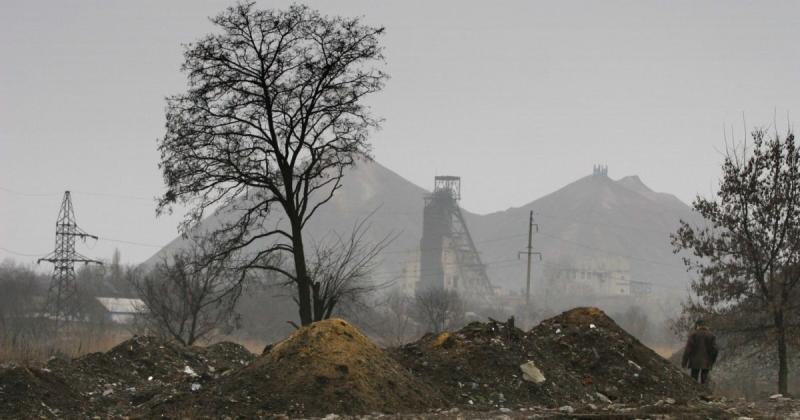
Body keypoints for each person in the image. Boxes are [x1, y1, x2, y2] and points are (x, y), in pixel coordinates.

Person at [681, 319, 718, 385]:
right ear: (706, 326)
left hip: (695, 361)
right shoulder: (712, 335)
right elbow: (715, 350)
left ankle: (694, 392)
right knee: (704, 380)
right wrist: (712, 360)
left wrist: (684, 362)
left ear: (698, 325)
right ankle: (705, 393)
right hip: (707, 362)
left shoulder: (693, 335)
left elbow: (688, 349)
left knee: (693, 380)